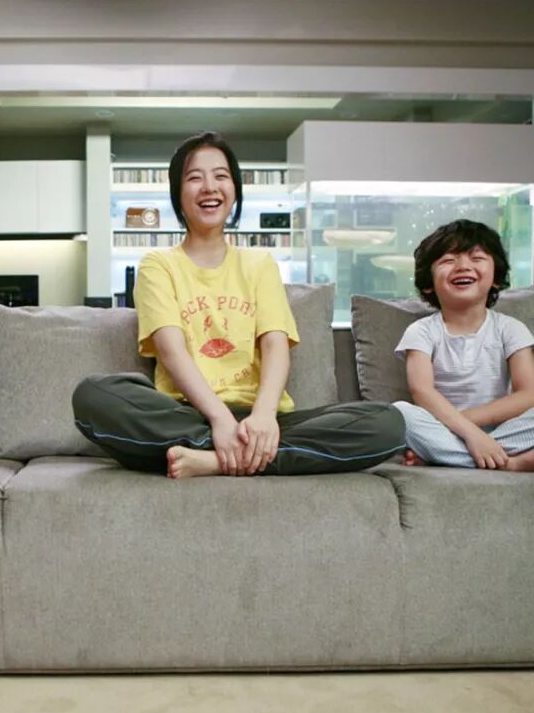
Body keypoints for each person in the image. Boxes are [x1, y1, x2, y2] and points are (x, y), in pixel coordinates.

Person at [72, 131, 405, 479]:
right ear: (177, 192)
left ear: (234, 189)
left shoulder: (259, 264)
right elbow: (171, 352)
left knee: (387, 423)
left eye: (220, 176)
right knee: (93, 396)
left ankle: (212, 460)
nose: (209, 187)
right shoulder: (158, 265)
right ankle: (245, 454)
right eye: (194, 178)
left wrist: (263, 416)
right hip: (187, 414)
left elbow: (275, 345)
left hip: (263, 421)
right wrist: (219, 420)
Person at [393, 219, 534, 471]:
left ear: (496, 279)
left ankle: (448, 456)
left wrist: (469, 430)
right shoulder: (421, 331)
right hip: (440, 427)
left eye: (476, 258)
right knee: (400, 414)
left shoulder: (510, 328)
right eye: (448, 260)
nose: (463, 266)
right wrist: (469, 434)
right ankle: (508, 463)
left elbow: (529, 395)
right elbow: (422, 391)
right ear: (428, 283)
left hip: (488, 430)